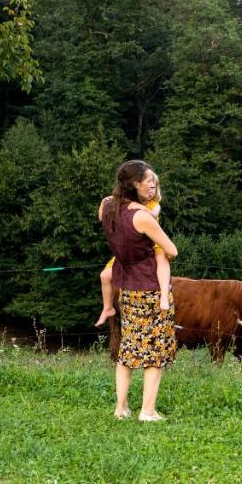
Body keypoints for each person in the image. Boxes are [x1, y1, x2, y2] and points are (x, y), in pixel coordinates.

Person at [98, 160, 178, 422]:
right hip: (151, 289)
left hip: (126, 287)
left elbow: (107, 205)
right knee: (154, 352)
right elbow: (171, 251)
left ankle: (121, 408)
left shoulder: (107, 207)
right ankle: (147, 411)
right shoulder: (142, 217)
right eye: (148, 180)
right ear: (135, 184)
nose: (153, 184)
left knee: (129, 348)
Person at [95, 171, 170, 326]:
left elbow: (152, 214)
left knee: (162, 260)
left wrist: (138, 207)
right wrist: (107, 201)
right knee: (104, 276)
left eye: (154, 188)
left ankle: (163, 295)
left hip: (153, 244)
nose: (151, 191)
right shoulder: (126, 203)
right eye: (148, 187)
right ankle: (107, 307)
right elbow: (101, 216)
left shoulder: (154, 205)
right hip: (132, 247)